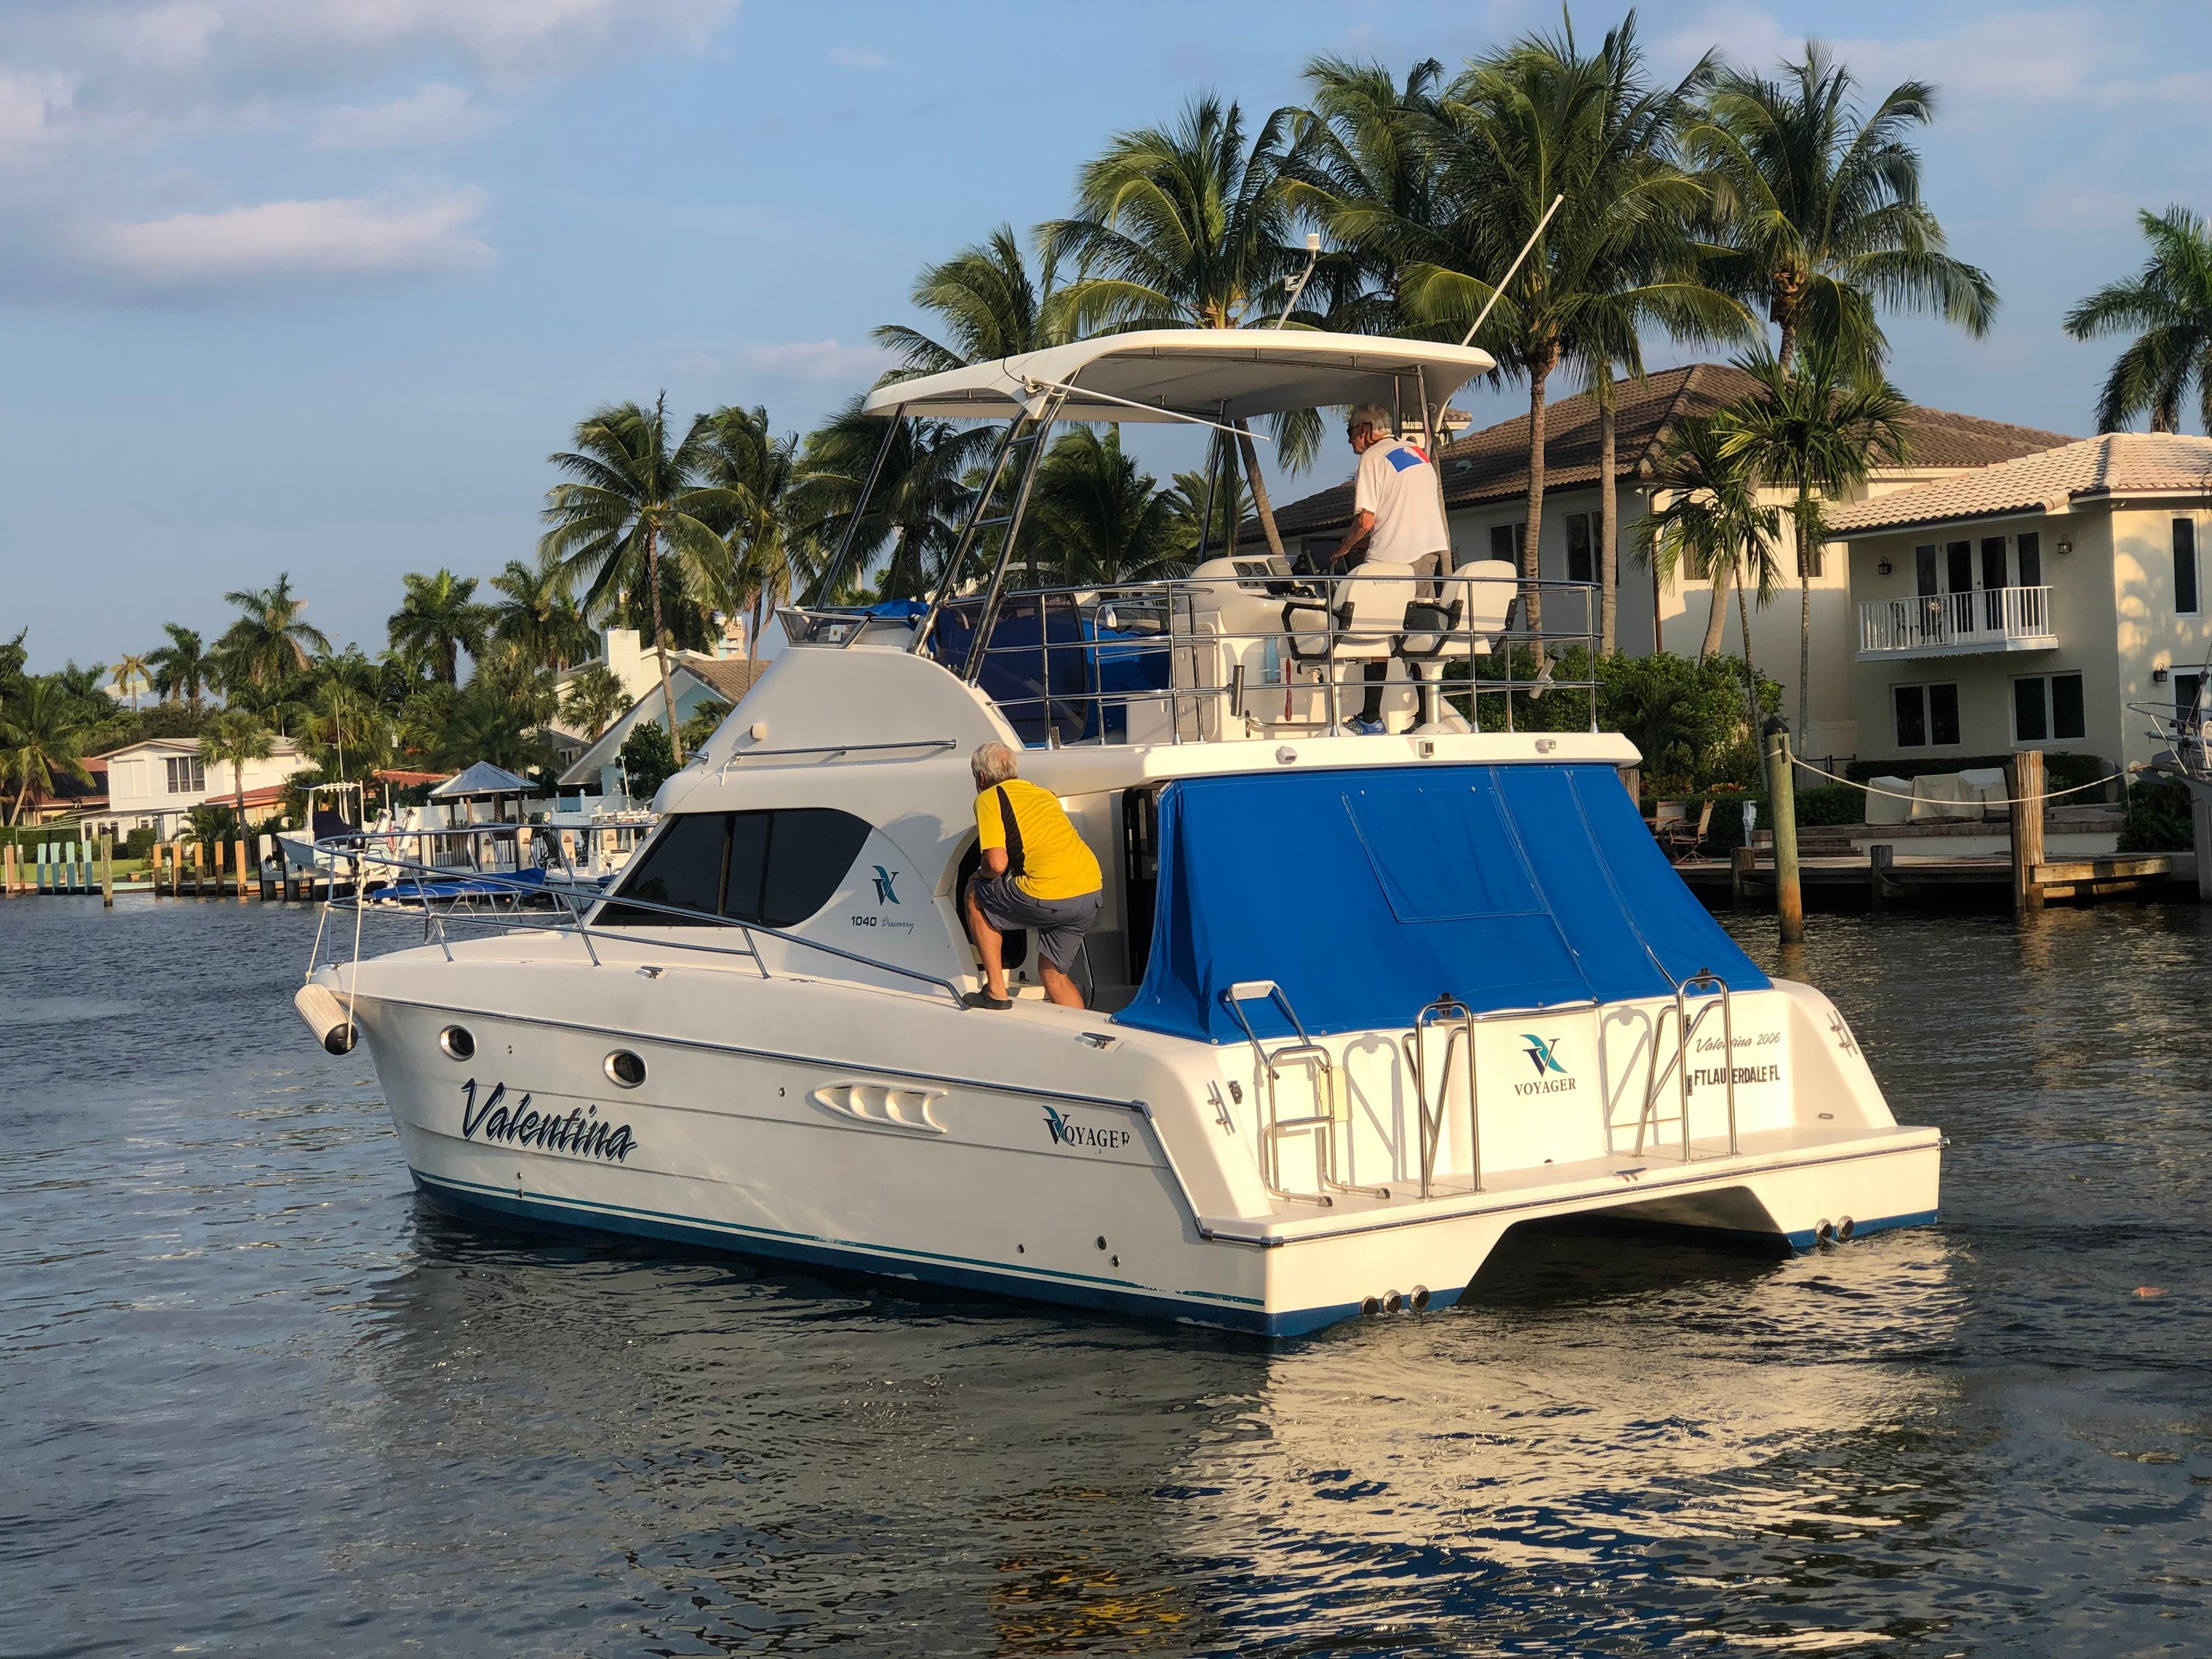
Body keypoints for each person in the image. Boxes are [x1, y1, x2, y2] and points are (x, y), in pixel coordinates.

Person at [1327, 403, 1453, 733]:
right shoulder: (1417, 453)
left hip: (1392, 558)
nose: (1351, 443)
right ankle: (1428, 718)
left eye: (1351, 434)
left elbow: (1366, 520)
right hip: (1428, 555)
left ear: (1366, 430)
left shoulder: (1371, 458)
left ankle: (1370, 719)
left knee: (1374, 635)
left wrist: (1345, 547)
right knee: (1420, 637)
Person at [962, 742, 1102, 1010]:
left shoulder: (989, 798)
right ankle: (1084, 1037)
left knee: (976, 894)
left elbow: (997, 863)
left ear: (981, 778)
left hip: (1048, 893)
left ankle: (996, 992)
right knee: (1054, 976)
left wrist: (981, 874)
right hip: (1089, 891)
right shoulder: (1043, 794)